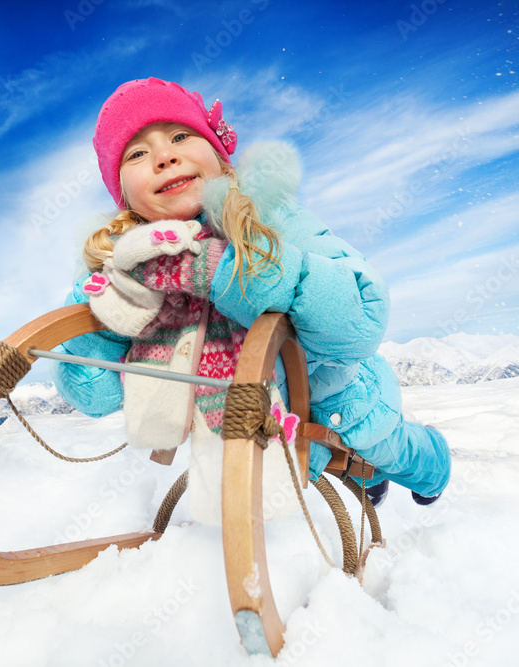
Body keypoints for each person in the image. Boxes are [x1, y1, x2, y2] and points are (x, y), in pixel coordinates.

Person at [50, 77, 451, 508]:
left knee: (391, 451)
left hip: (343, 400)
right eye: (137, 153)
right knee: (325, 471)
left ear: (218, 154)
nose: (164, 157)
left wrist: (225, 269)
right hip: (257, 431)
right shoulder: (137, 264)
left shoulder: (269, 215)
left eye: (180, 136)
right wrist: (100, 311)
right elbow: (96, 396)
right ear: (123, 191)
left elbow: (359, 322)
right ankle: (359, 475)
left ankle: (432, 469)